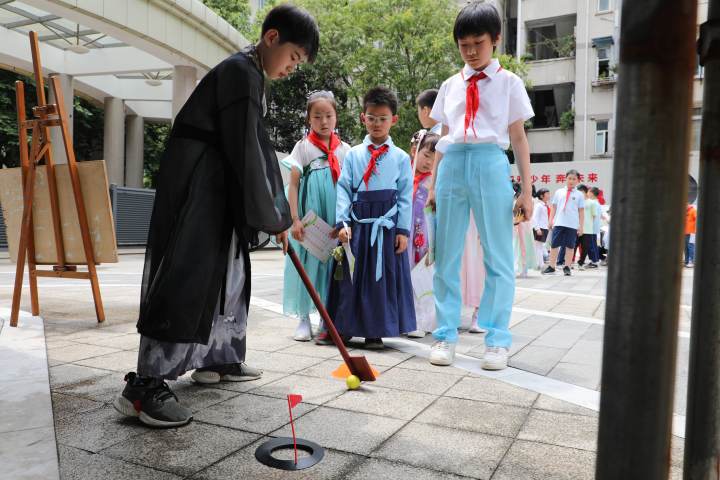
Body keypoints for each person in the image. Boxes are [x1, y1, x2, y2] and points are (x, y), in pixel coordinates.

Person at [113, 4, 319, 428]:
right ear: (272, 37)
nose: (292, 69)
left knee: (229, 272)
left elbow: (256, 150)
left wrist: (275, 214)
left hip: (217, 184)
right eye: (294, 58)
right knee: (187, 271)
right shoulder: (239, 73)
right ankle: (144, 385)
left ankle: (216, 357)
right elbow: (249, 150)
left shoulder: (249, 74)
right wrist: (275, 215)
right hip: (200, 184)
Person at [425, 2, 534, 369]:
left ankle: (497, 340)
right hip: (453, 164)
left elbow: (518, 139)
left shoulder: (509, 83)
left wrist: (527, 190)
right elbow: (441, 137)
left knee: (499, 257)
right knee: (447, 256)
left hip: (490, 162)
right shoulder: (450, 85)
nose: (471, 52)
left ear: (496, 41)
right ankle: (444, 336)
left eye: (479, 43)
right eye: (464, 45)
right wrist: (434, 183)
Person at [326, 86, 416, 349]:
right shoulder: (353, 154)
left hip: (385, 227)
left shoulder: (400, 158)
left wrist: (402, 230)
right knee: (350, 275)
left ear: (393, 120)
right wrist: (342, 222)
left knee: (379, 279)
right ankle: (342, 327)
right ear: (363, 118)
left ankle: (374, 331)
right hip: (358, 225)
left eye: (383, 118)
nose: (377, 124)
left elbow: (405, 196)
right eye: (372, 118)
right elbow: (343, 188)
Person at [281, 91, 351, 342]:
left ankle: (326, 316)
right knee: (308, 264)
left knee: (333, 265)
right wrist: (294, 219)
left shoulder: (345, 150)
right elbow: (293, 185)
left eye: (328, 115)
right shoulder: (303, 147)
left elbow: (351, 186)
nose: (324, 121)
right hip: (310, 216)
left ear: (336, 117)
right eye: (317, 116)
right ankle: (303, 317)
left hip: (335, 217)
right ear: (309, 119)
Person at [407, 131, 440, 338]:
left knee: (422, 277)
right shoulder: (405, 176)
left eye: (435, 159)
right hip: (404, 235)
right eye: (426, 155)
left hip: (423, 237)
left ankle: (422, 320)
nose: (429, 163)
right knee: (406, 275)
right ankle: (406, 318)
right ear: (414, 151)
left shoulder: (433, 185)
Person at [542, 170, 585, 276]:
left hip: (572, 224)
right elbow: (554, 207)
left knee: (570, 246)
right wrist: (550, 220)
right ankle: (552, 267)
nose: (571, 181)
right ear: (566, 179)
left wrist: (581, 226)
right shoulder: (559, 192)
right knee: (554, 245)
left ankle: (567, 267)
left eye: (574, 179)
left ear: (578, 181)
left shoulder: (579, 195)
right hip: (559, 223)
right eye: (569, 178)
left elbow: (581, 211)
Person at [577, 185, 600, 269]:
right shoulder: (579, 202)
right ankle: (593, 260)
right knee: (576, 246)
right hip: (582, 228)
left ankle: (588, 261)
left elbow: (594, 216)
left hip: (589, 229)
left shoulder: (593, 203)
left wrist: (589, 225)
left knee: (588, 246)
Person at [531, 187, 551, 269]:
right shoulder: (539, 206)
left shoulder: (545, 205)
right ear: (542, 196)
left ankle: (540, 264)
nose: (549, 195)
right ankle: (540, 264)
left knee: (540, 247)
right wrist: (537, 228)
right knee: (538, 247)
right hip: (540, 228)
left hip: (544, 228)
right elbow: (535, 218)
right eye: (547, 194)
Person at [685, 203, 697, 267]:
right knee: (685, 247)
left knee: (690, 246)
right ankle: (686, 261)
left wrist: (695, 230)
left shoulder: (693, 211)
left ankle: (692, 261)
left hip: (692, 232)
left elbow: (697, 220)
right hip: (685, 233)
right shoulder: (685, 212)